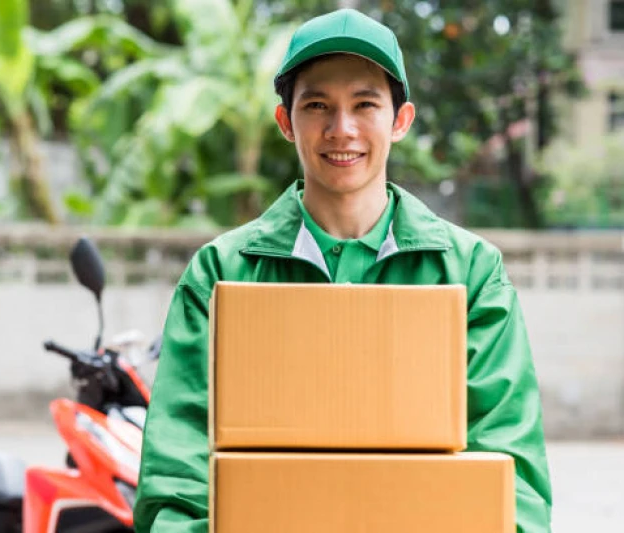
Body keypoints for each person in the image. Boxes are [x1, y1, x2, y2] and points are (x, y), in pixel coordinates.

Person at [133, 8, 552, 533]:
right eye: (317, 105)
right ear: (286, 122)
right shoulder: (221, 274)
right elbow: (177, 483)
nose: (342, 129)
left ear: (400, 121)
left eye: (364, 104)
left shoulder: (468, 273)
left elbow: (512, 478)